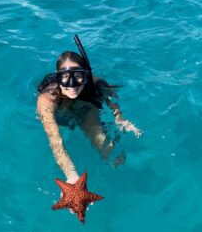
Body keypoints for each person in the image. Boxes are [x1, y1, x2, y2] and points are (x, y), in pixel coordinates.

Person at [36, 35, 142, 184]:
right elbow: (55, 140)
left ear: (85, 75)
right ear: (57, 78)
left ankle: (119, 172)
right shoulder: (47, 99)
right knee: (56, 133)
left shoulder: (96, 83)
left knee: (105, 145)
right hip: (60, 113)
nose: (72, 85)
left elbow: (110, 100)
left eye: (78, 77)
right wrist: (72, 176)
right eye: (64, 77)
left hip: (84, 107)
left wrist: (120, 119)